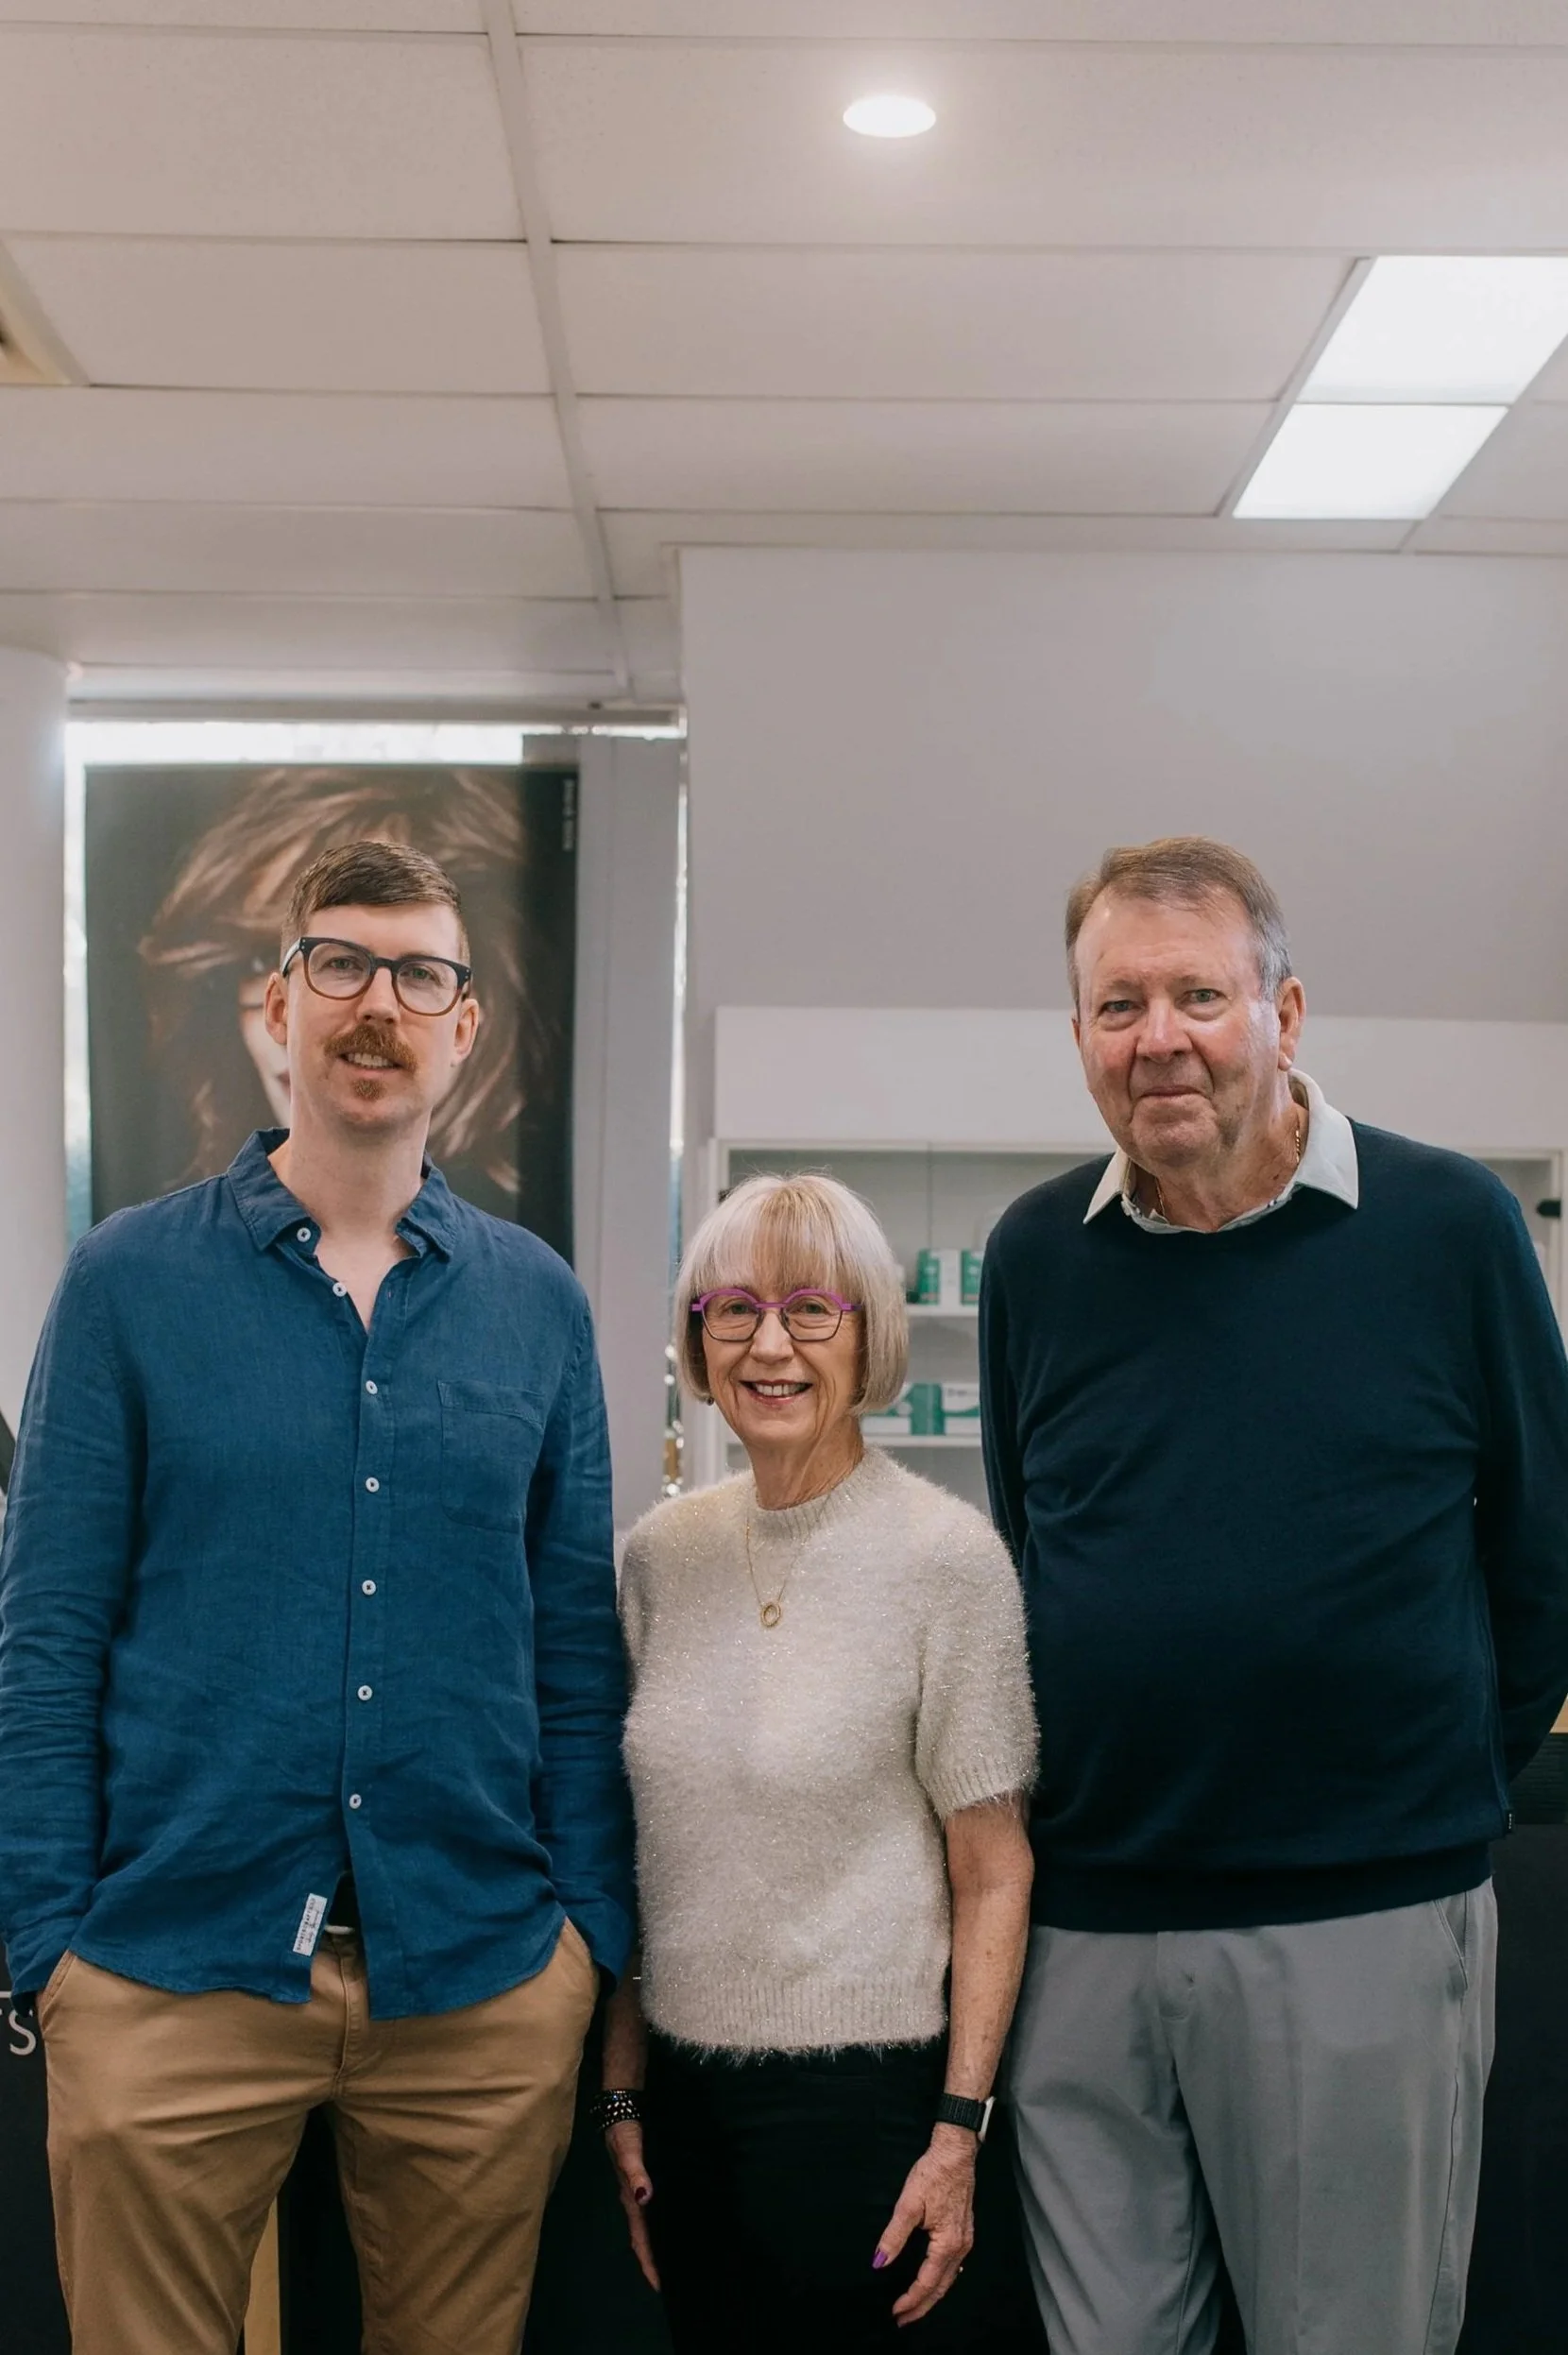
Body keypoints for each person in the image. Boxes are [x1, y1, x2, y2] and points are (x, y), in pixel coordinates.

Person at [0, 837, 634, 2355]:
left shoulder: (535, 1302)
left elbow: (573, 1655)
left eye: (420, 975)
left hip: (477, 1975)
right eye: (340, 965)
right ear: (279, 1003)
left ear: (462, 1026)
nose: (377, 1006)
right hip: (167, 1963)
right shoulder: (128, 1281)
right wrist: (47, 1951)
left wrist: (585, 1944)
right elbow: (46, 1639)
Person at [980, 834, 1568, 2355]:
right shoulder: (1038, 1255)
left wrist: (1423, 1787)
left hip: (1361, 1908)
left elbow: (1545, 1553)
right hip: (1090, 1928)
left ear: (1285, 1014)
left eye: (1198, 995)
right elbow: (1040, 1544)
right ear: (1079, 1038)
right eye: (1119, 1005)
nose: (1157, 1037)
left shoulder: (1449, 1229)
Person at [600, 1173, 1040, 2353]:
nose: (770, 1343)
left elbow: (992, 1869)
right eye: (733, 1309)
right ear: (698, 1338)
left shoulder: (947, 1562)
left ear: (869, 1334)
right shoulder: (660, 1559)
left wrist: (957, 2133)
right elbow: (643, 1854)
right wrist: (625, 2093)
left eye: (812, 1309)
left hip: (865, 2111)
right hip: (686, 2106)